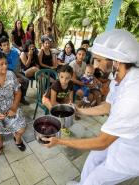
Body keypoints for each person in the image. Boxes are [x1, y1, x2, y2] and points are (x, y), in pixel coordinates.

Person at [42, 29, 139, 185]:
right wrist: (78, 109)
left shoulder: (133, 95)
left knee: (95, 180)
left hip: (131, 152)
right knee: (94, 158)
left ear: (116, 61)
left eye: (98, 60)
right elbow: (107, 107)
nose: (95, 65)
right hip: (119, 137)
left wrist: (60, 142)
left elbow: (101, 142)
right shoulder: (118, 77)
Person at [0, 36, 30, 105]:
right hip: (5, 75)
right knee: (14, 83)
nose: (7, 46)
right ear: (1, 47)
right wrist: (14, 79)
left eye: (7, 44)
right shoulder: (0, 55)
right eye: (4, 45)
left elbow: (15, 65)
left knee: (26, 81)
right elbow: (2, 69)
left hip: (15, 72)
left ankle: (22, 98)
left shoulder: (14, 52)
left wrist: (16, 74)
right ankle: (12, 100)